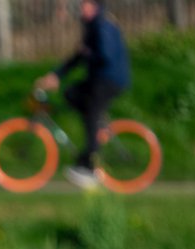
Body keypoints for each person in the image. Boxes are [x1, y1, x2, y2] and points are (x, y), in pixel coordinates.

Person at [35, 0, 131, 189]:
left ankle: (89, 169)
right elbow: (78, 57)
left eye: (85, 5)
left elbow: (106, 56)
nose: (81, 8)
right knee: (71, 94)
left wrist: (88, 53)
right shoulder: (92, 27)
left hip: (110, 79)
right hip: (99, 79)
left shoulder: (103, 25)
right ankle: (94, 126)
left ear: (96, 7)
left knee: (91, 114)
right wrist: (56, 75)